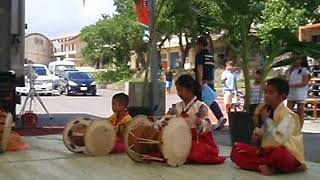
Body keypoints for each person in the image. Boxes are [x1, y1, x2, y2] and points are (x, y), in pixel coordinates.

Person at [230, 78, 306, 175]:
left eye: (271, 92)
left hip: (286, 153)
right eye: (265, 92)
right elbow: (258, 138)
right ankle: (266, 166)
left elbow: (278, 140)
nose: (266, 96)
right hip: (267, 152)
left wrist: (266, 120)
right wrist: (257, 128)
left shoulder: (289, 116)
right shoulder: (265, 110)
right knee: (238, 150)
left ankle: (280, 168)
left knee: (279, 155)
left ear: (282, 96)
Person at [168, 74, 226, 164]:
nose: (178, 93)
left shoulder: (200, 107)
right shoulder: (177, 107)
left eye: (180, 90)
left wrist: (202, 123)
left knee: (194, 151)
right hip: (181, 138)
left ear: (190, 89)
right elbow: (167, 118)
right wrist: (162, 121)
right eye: (177, 90)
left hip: (199, 140)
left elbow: (208, 124)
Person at [194, 36, 226, 130]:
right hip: (210, 81)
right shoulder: (210, 56)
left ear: (199, 45)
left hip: (203, 82)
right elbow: (212, 69)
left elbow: (200, 68)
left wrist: (200, 81)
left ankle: (200, 122)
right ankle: (220, 117)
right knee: (211, 101)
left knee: (197, 102)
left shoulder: (200, 55)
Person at [287, 57, 310, 129]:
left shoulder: (304, 70)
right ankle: (288, 127)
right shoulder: (291, 70)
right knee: (288, 110)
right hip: (291, 92)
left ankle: (299, 128)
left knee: (300, 111)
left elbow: (305, 82)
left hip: (300, 92)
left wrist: (292, 85)